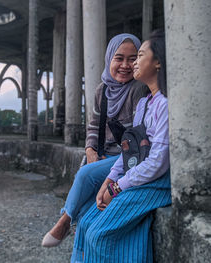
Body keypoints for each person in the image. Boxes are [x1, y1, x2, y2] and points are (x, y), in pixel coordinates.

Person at [71, 29, 170, 263]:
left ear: (157, 63)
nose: (132, 63)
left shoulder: (164, 105)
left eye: (139, 56)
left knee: (99, 233)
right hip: (138, 175)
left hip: (155, 182)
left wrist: (117, 187)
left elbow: (158, 162)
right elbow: (129, 151)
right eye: (123, 58)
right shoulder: (146, 104)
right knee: (85, 222)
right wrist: (108, 182)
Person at [42, 33, 149, 248]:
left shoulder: (139, 89)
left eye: (132, 59)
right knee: (88, 211)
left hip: (128, 157)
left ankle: (64, 221)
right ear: (109, 59)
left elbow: (139, 137)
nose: (125, 65)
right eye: (119, 58)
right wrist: (90, 149)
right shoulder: (103, 90)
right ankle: (80, 245)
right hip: (103, 154)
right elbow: (93, 125)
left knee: (85, 174)